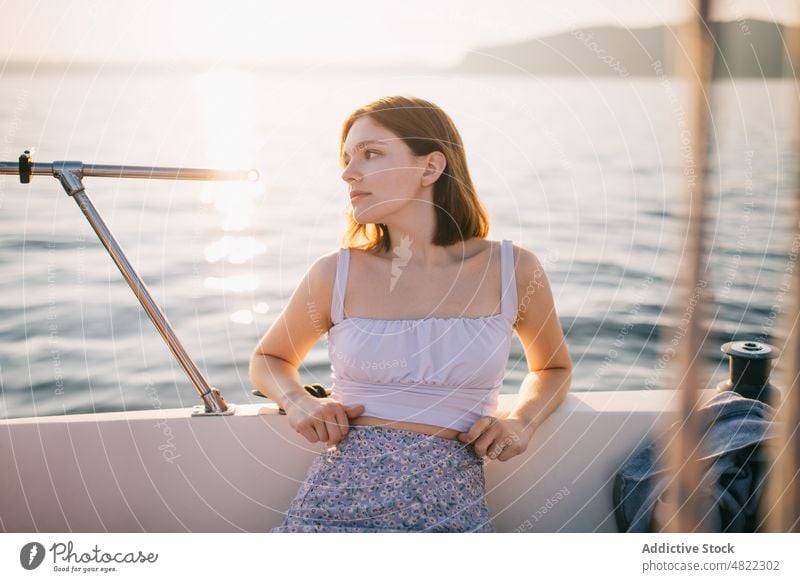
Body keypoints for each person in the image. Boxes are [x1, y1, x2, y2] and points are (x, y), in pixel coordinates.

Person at [250, 95, 572, 532]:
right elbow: (269, 360)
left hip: (448, 508)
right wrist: (296, 401)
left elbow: (552, 366)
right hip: (333, 503)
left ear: (431, 167)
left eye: (371, 154)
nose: (348, 172)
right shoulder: (335, 272)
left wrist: (523, 420)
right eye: (346, 159)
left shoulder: (513, 269)